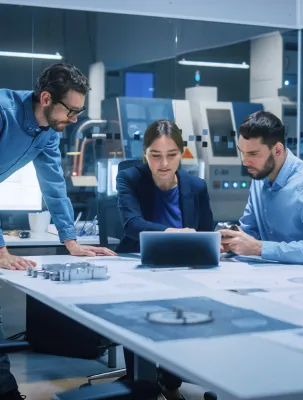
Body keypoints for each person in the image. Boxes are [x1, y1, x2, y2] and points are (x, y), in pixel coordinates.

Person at [0, 63, 116, 400]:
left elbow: (54, 185)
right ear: (47, 98)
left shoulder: (48, 132)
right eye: (72, 110)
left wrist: (71, 241)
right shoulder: (4, 114)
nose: (75, 119)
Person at [116, 119, 214, 382]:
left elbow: (206, 232)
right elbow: (132, 225)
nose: (164, 164)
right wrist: (173, 233)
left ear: (181, 154)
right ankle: (141, 381)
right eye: (155, 155)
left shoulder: (197, 186)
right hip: (139, 267)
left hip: (183, 271)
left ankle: (170, 383)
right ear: (144, 154)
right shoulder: (129, 178)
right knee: (139, 318)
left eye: (172, 155)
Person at [220, 110, 303, 269]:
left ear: (278, 150)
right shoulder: (260, 178)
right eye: (242, 153)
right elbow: (250, 232)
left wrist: (258, 248)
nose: (245, 162)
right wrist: (231, 240)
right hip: (278, 271)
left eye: (253, 154)